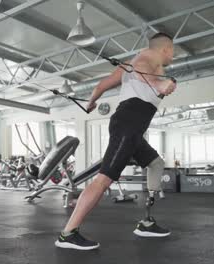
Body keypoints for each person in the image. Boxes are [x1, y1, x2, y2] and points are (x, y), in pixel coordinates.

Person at [55, 32, 177, 250]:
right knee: (104, 179)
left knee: (155, 163)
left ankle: (147, 222)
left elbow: (102, 85)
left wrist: (92, 101)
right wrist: (158, 84)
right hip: (128, 125)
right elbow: (143, 69)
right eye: (173, 52)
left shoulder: (127, 65)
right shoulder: (148, 58)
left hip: (131, 128)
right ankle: (67, 234)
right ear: (166, 49)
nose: (173, 57)